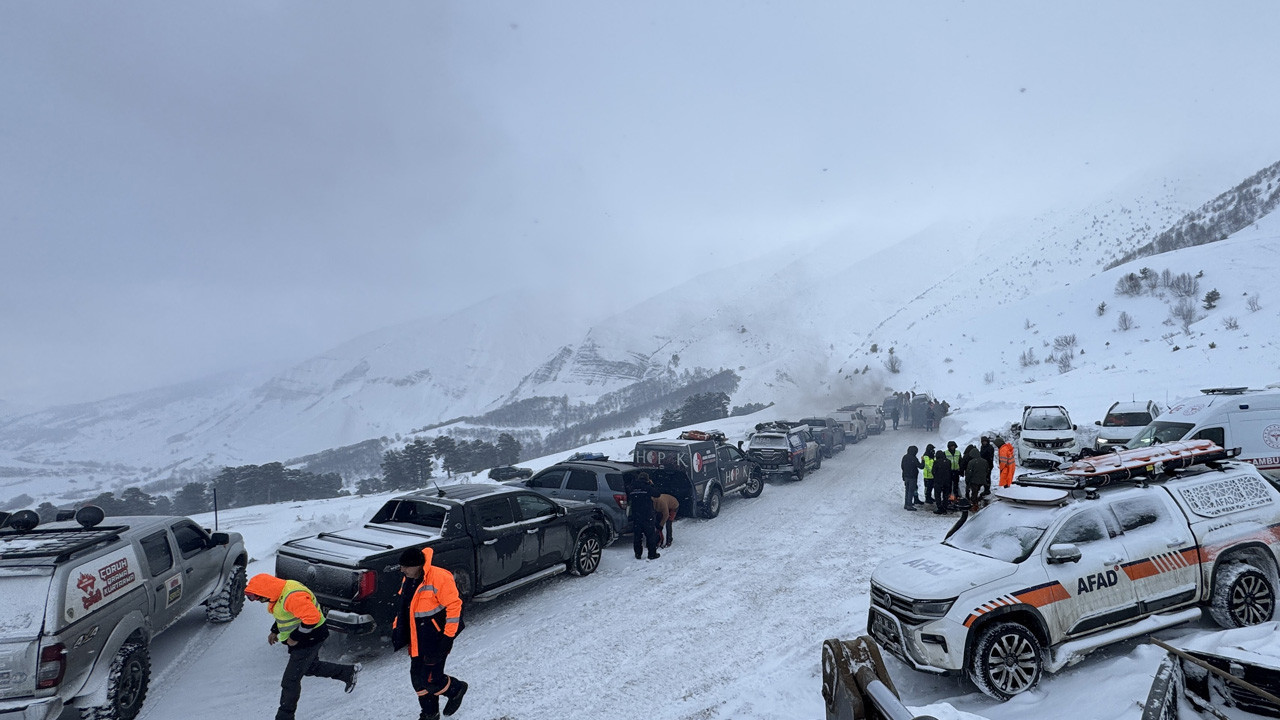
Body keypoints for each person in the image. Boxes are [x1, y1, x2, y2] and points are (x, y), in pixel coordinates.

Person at [245, 574, 361, 720]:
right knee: (310, 667)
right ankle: (347, 672)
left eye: (256, 597)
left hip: (310, 638)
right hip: (306, 638)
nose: (257, 601)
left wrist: (295, 637)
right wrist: (275, 630)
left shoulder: (292, 596)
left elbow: (312, 618)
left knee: (290, 680)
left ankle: (284, 717)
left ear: (265, 592)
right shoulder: (279, 593)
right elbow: (287, 615)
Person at [392, 548, 468, 720]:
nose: (402, 570)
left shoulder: (440, 577)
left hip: (436, 639)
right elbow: (404, 608)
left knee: (431, 679)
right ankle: (430, 714)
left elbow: (455, 607)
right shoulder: (409, 579)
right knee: (418, 681)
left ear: (417, 565)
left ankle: (456, 689)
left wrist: (448, 637)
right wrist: (397, 629)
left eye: (405, 567)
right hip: (417, 641)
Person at [629, 472, 661, 559]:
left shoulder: (632, 488)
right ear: (647, 479)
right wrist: (652, 484)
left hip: (636, 515)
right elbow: (657, 494)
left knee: (637, 536)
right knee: (650, 535)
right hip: (647, 514)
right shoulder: (647, 488)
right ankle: (652, 554)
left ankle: (638, 554)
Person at [963, 445, 989, 509]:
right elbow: (987, 470)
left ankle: (974, 505)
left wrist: (967, 480)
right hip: (982, 479)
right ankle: (977, 501)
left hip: (974, 480)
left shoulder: (971, 462)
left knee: (974, 493)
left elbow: (969, 472)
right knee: (977, 491)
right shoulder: (984, 461)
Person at [900, 445, 922, 511]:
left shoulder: (905, 457)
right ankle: (909, 505)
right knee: (911, 491)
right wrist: (923, 461)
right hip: (912, 477)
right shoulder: (914, 458)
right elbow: (921, 466)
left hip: (906, 476)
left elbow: (902, 466)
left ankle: (906, 504)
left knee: (907, 490)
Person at [932, 448, 951, 514]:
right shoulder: (948, 461)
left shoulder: (936, 462)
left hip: (938, 481)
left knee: (937, 495)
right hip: (947, 481)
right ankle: (945, 507)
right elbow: (949, 471)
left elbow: (933, 471)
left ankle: (940, 507)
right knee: (945, 495)